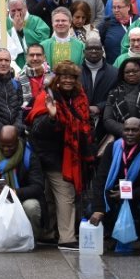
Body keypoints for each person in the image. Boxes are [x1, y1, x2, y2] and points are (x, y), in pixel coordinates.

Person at [27, 61, 93, 247]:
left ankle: (48, 234)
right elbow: (37, 130)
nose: (68, 80)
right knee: (66, 195)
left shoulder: (79, 97)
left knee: (52, 197)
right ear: (56, 78)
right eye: (64, 76)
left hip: (70, 154)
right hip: (50, 156)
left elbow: (85, 123)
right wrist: (52, 117)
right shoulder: (45, 98)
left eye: (71, 77)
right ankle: (67, 238)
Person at [89, 117, 140, 252]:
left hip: (138, 196)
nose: (130, 133)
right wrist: (99, 208)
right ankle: (113, 235)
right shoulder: (112, 148)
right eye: (126, 130)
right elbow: (100, 179)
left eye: (134, 130)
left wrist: (130, 193)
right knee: (92, 209)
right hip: (114, 194)